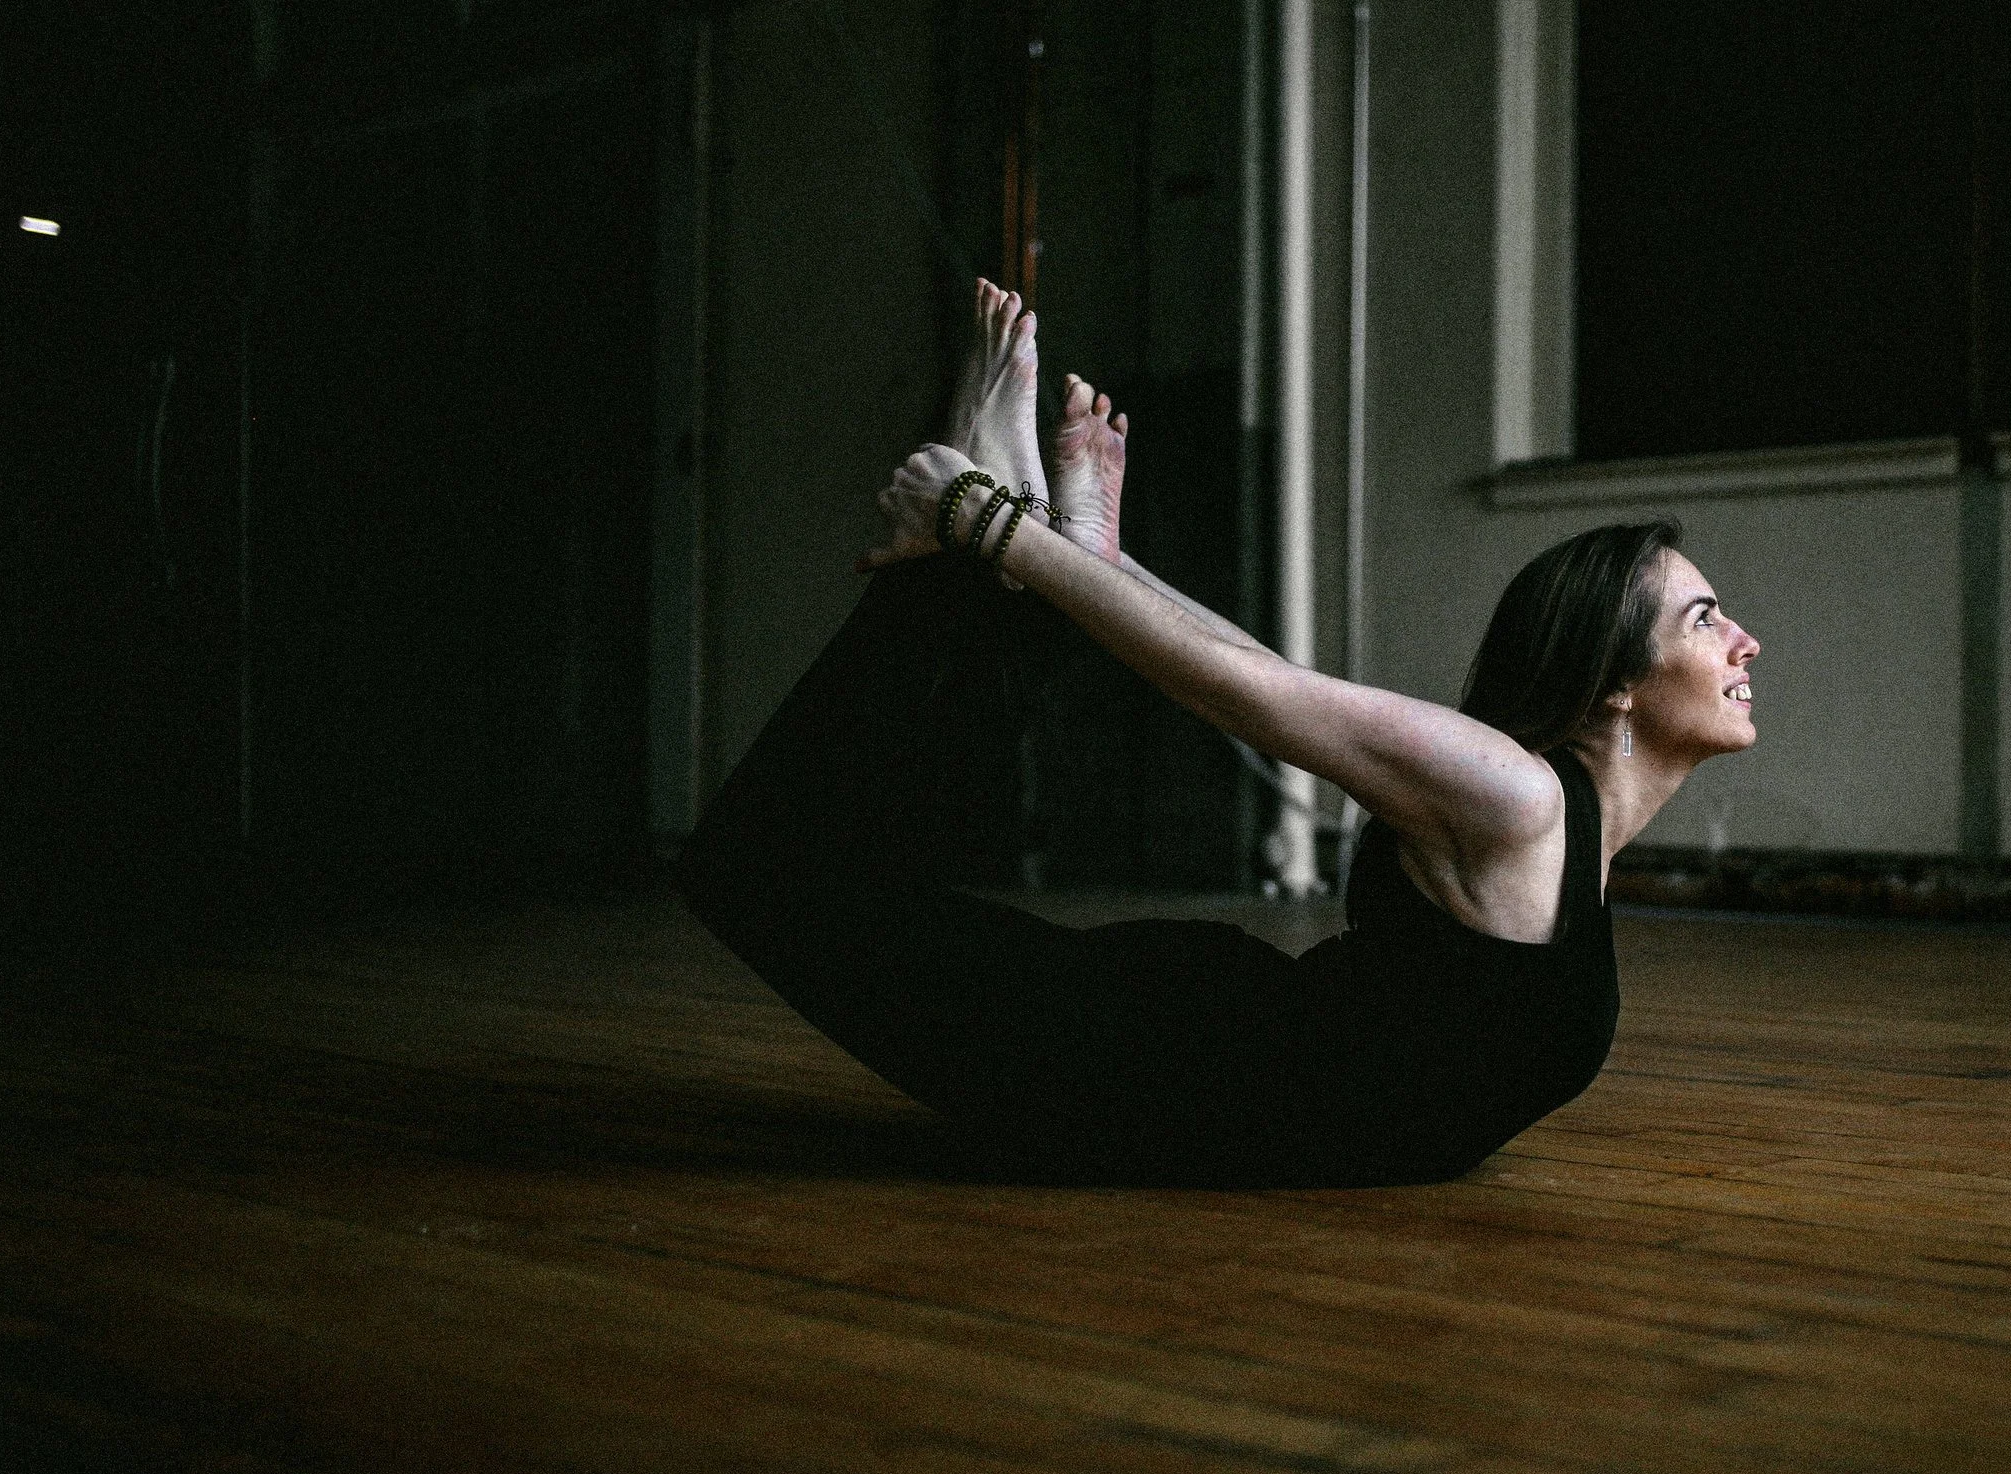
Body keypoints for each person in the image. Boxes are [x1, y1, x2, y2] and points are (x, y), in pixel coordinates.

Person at [676, 280, 1760, 1186]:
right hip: (1135, 1066)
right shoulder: (1520, 801)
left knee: (774, 873)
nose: (1743, 641)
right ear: (1616, 683)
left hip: (1177, 1059)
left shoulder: (1564, 833)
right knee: (746, 867)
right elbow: (1254, 694)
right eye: (1705, 619)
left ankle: (1000, 549)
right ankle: (962, 543)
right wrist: (982, 518)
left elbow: (1269, 677)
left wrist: (1091, 561)